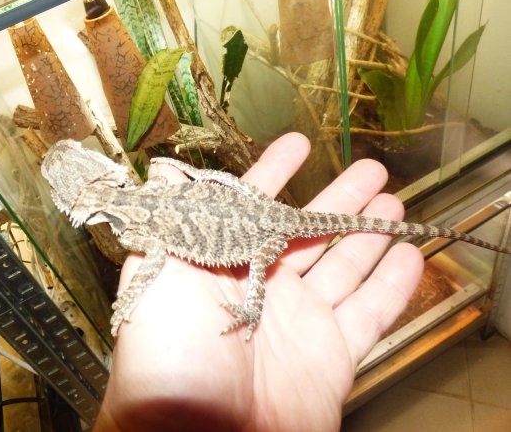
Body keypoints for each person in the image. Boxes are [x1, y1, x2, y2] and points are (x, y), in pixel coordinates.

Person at [93, 132, 424, 432]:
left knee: (258, 260)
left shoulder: (137, 215)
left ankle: (253, 310)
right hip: (255, 214)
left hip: (266, 224)